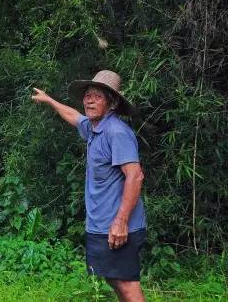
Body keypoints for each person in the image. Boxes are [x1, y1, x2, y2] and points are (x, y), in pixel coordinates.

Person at [32, 70, 146, 302]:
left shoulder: (117, 132)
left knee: (126, 284)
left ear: (112, 103)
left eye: (97, 96)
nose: (89, 100)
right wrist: (49, 100)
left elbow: (135, 176)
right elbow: (73, 116)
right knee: (114, 279)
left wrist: (121, 222)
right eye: (87, 96)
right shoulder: (94, 128)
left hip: (119, 227)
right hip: (101, 226)